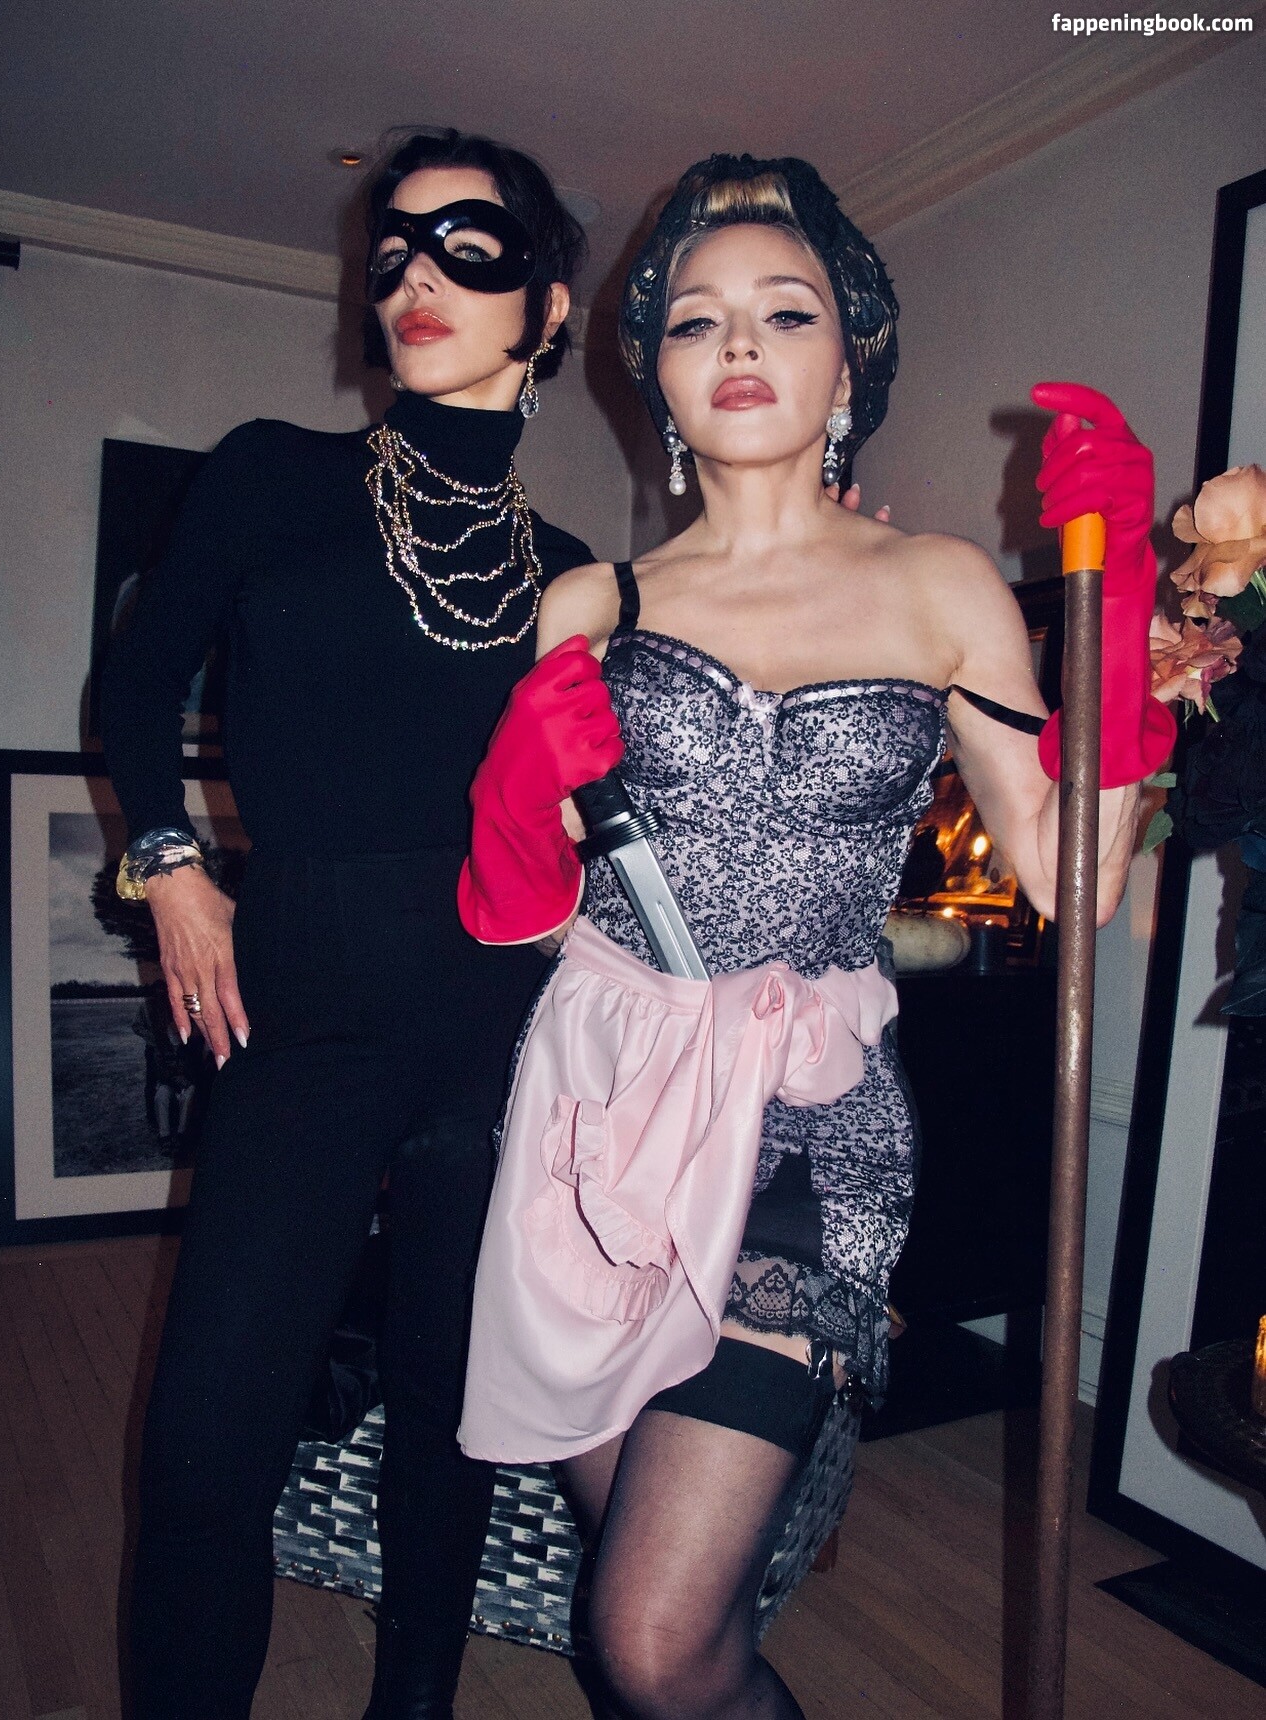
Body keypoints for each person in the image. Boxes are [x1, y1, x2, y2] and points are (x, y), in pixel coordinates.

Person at [454, 154, 1171, 1720]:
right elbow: (519, 912)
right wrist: (511, 800)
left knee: (648, 1639)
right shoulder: (587, 605)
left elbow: (1073, 882)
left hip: (803, 1123)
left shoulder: (936, 584)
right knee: (672, 1636)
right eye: (693, 319)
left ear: (847, 364)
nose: (736, 343)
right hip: (598, 1117)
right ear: (653, 377)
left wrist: (1112, 614)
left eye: (785, 312)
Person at [101, 127, 600, 1720]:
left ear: (548, 304)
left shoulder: (575, 575)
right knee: (205, 1446)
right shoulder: (271, 476)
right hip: (301, 1010)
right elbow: (135, 682)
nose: (412, 278)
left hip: (499, 1028)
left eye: (467, 245)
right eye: (390, 250)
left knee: (453, 1427)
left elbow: (598, 811)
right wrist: (172, 862)